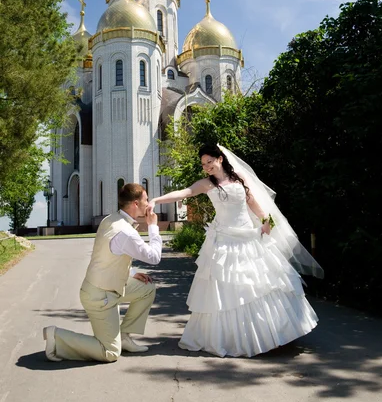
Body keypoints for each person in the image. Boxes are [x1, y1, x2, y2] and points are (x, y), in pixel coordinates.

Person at [147, 144, 323, 358]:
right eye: (203, 164)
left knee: (260, 285)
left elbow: (251, 200)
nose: (206, 167)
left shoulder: (238, 176)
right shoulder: (206, 184)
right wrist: (156, 200)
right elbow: (185, 192)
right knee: (228, 291)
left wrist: (265, 220)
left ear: (220, 159)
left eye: (209, 162)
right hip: (224, 240)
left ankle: (273, 335)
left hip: (248, 236)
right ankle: (239, 338)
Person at [43, 183, 162, 362]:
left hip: (104, 287)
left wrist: (132, 272)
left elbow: (107, 255)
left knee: (146, 288)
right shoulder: (126, 232)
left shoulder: (111, 219)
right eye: (146, 200)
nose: (149, 205)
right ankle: (57, 337)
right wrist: (153, 227)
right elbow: (154, 257)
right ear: (136, 203)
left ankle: (124, 336)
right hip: (100, 296)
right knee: (110, 353)